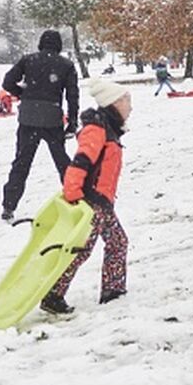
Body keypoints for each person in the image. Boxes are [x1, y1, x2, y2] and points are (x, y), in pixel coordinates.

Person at [40, 79, 131, 315]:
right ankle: (52, 294)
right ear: (114, 102)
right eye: (126, 100)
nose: (130, 107)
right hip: (91, 202)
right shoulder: (97, 129)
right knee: (80, 250)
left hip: (103, 202)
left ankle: (113, 290)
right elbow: (80, 163)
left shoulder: (109, 127)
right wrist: (73, 194)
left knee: (117, 242)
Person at [0, 30, 80, 221]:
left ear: (41, 43)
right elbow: (72, 96)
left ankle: (9, 205)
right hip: (52, 118)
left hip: (28, 117)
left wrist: (23, 94)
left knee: (21, 163)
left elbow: (7, 82)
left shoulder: (28, 60)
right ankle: (76, 195)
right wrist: (73, 122)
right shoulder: (66, 65)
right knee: (62, 161)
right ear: (59, 45)